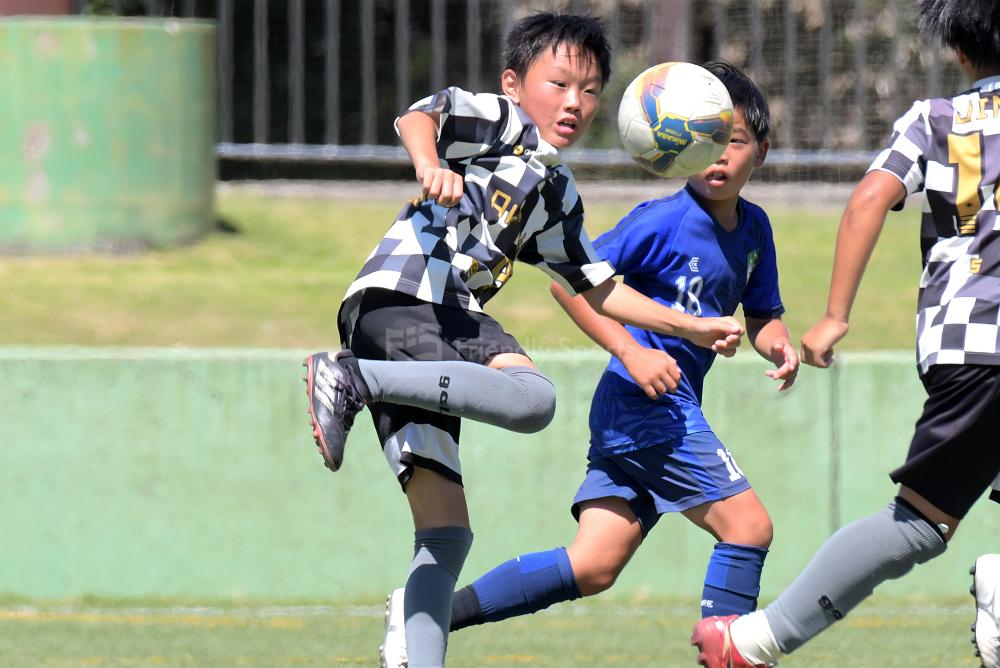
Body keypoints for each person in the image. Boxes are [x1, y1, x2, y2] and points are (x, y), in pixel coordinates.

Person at [302, 13, 744, 668]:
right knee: (532, 399)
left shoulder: (558, 192)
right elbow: (417, 118)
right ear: (514, 84)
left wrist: (692, 326)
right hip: (408, 299)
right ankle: (350, 379)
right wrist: (430, 164)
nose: (575, 102)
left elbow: (597, 288)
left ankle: (415, 654)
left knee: (447, 534)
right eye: (560, 83)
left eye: (591, 91)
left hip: (433, 335)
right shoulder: (500, 124)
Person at [378, 61, 797, 667]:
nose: (716, 157)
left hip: (657, 406)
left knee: (594, 565)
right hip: (644, 401)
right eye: (703, 141)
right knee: (750, 528)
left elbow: (763, 315)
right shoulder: (663, 220)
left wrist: (778, 345)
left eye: (730, 142)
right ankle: (727, 656)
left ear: (761, 149)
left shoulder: (755, 228)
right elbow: (572, 285)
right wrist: (632, 351)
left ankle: (427, 613)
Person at [691, 1, 1000, 666]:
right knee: (921, 521)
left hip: (964, 344)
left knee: (921, 524)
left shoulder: (936, 120)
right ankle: (755, 638)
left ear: (960, 51)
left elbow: (867, 200)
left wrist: (834, 314)